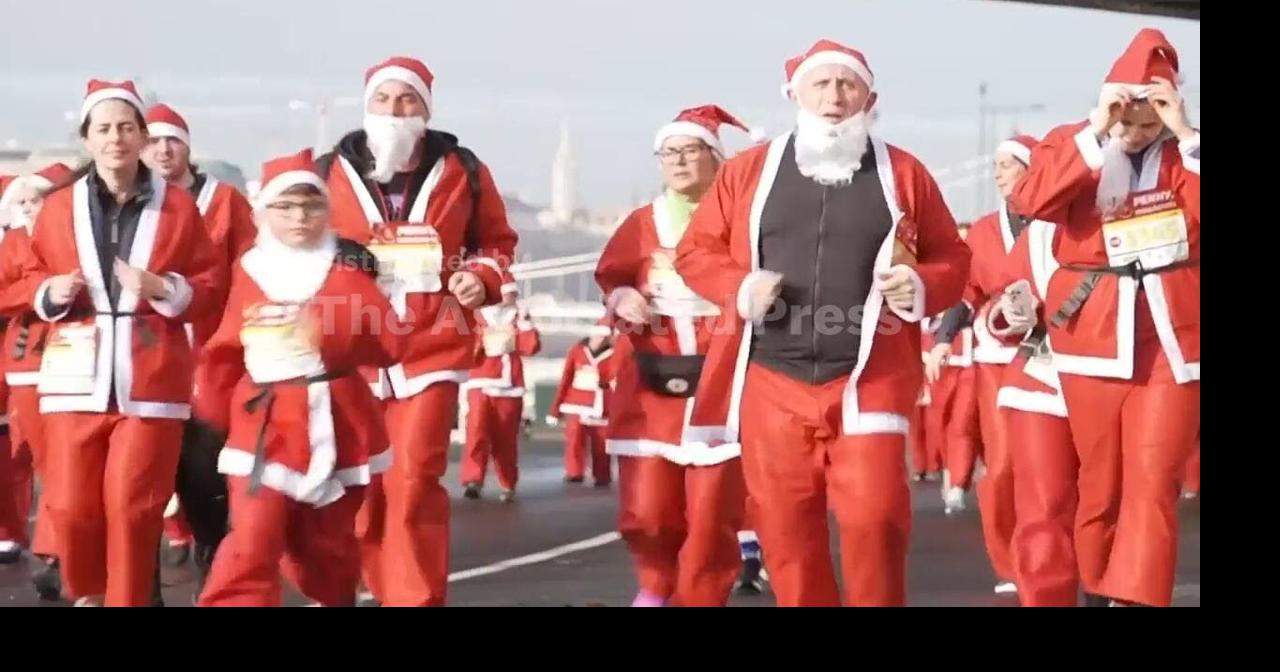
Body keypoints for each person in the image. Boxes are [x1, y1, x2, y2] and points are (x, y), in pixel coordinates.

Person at [674, 40, 971, 606]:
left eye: (848, 85)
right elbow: (695, 252)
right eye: (822, 85)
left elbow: (953, 257)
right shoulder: (747, 172)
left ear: (869, 97)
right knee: (786, 532)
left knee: (877, 519)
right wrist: (737, 286)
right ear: (795, 95)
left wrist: (923, 286)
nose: (835, 98)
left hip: (872, 374)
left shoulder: (904, 172)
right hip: (771, 378)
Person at [1003, 28, 1199, 607]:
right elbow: (1031, 200)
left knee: (1153, 480)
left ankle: (1136, 599)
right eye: (1129, 114)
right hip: (1090, 333)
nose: (1138, 129)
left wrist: (1187, 133)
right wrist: (1097, 130)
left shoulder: (1188, 152)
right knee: (1101, 482)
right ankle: (1098, 587)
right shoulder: (1072, 144)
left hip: (1174, 337)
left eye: (1151, 115)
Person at [319, 56, 519, 607]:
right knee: (360, 490)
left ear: (425, 111)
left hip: (431, 343)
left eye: (407, 101)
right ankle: (376, 585)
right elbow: (287, 244)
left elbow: (496, 243)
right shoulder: (324, 171)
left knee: (412, 483)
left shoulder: (464, 169)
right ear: (366, 107)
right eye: (384, 100)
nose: (395, 111)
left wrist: (481, 277)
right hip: (351, 349)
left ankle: (416, 599)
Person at [23, 79, 221, 606]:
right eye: (105, 128)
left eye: (127, 128)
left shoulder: (179, 208)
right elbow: (21, 275)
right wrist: (48, 291)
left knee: (134, 507)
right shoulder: (55, 209)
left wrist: (166, 289)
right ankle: (88, 592)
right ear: (87, 139)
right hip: (75, 375)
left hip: (151, 375)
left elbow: (211, 286)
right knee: (67, 506)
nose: (116, 138)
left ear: (142, 137)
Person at [192, 149, 405, 607]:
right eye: (285, 206)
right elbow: (225, 351)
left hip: (340, 423)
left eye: (311, 205)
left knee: (325, 551)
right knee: (251, 539)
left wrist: (328, 330)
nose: (299, 217)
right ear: (264, 212)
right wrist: (209, 421)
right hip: (264, 425)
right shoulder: (248, 271)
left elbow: (391, 344)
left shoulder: (349, 271)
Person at [596, 104, 759, 607]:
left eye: (690, 151)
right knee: (646, 513)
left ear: (716, 159)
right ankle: (656, 584)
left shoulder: (744, 221)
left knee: (711, 517)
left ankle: (699, 599)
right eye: (669, 152)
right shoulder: (642, 223)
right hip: (652, 382)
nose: (679, 162)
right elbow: (613, 277)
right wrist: (622, 299)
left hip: (722, 383)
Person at [143, 102, 257, 570]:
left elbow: (249, 266)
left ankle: (212, 546)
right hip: (151, 347)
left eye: (173, 139)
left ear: (188, 146)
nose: (164, 149)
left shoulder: (226, 201)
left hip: (213, 347)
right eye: (153, 140)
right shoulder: (137, 203)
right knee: (148, 458)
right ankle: (150, 561)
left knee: (206, 452)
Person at [951, 135, 1043, 595]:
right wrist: (942, 340)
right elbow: (965, 292)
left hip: (1053, 354)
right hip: (996, 358)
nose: (998, 172)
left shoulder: (1058, 220)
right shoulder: (985, 230)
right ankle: (1009, 561)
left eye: (1008, 164)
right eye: (997, 165)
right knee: (1004, 462)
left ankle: (1055, 556)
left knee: (1054, 463)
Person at [0, 163, 72, 598]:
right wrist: (39, 294)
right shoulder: (12, 243)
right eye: (23, 201)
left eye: (38, 199)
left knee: (67, 462)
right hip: (27, 362)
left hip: (78, 358)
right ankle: (55, 552)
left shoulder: (75, 239)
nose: (30, 208)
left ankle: (63, 550)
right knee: (45, 460)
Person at [461, 274, 541, 502]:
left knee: (505, 438)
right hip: (480, 381)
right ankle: (473, 479)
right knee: (476, 432)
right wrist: (481, 340)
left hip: (510, 385)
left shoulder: (519, 318)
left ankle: (508, 483)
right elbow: (465, 348)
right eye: (506, 292)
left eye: (513, 293)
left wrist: (525, 324)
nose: (509, 297)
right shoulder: (475, 315)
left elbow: (530, 348)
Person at [548, 323, 618, 486]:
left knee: (601, 443)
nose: (601, 340)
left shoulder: (615, 354)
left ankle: (602, 476)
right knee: (574, 440)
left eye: (604, 337)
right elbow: (566, 379)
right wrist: (555, 409)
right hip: (575, 403)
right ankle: (574, 472)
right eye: (599, 336)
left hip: (601, 405)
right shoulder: (577, 351)